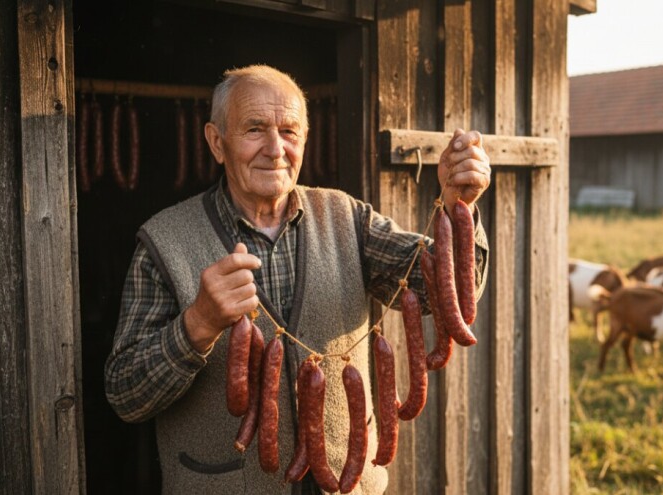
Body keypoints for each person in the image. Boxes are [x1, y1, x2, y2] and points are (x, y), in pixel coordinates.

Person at [105, 65, 491, 495]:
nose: (275, 149)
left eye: (289, 132)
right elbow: (126, 395)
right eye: (255, 129)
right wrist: (197, 325)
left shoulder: (349, 219)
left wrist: (460, 209)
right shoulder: (164, 240)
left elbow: (449, 294)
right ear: (217, 142)